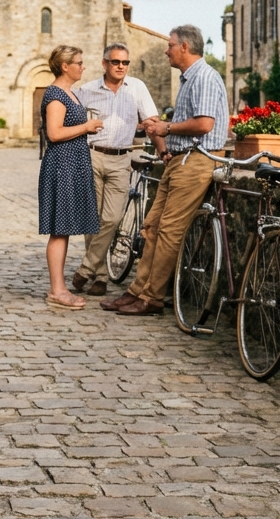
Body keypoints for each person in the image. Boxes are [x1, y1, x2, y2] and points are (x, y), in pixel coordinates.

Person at [102, 25, 228, 316]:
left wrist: (166, 127)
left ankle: (153, 298)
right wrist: (165, 137)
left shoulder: (205, 77)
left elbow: (205, 124)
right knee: (152, 226)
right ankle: (138, 291)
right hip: (181, 159)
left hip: (198, 161)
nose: (166, 49)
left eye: (170, 45)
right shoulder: (189, 79)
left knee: (170, 230)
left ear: (184, 47)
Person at [72, 43, 159, 296]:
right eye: (115, 62)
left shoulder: (138, 88)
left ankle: (86, 268)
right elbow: (70, 120)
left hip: (122, 158)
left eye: (125, 63)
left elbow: (151, 121)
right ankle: (100, 278)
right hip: (92, 156)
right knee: (93, 219)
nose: (121, 66)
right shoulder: (86, 91)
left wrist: (153, 137)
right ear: (104, 63)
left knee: (111, 217)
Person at [38, 45, 103, 311]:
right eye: (79, 62)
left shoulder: (69, 93)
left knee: (63, 229)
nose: (83, 66)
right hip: (61, 167)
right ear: (65, 66)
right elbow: (54, 133)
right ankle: (57, 290)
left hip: (72, 165)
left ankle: (59, 288)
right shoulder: (55, 94)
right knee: (59, 229)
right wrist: (87, 126)